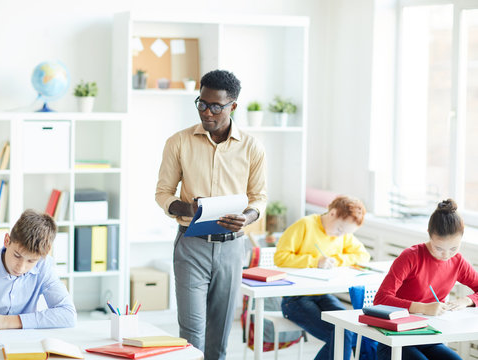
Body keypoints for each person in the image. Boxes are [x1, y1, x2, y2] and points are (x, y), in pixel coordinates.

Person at [155, 69, 267, 360]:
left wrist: (249, 217)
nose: (207, 112)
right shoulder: (178, 142)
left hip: (232, 247)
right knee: (192, 334)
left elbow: (259, 197)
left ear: (233, 106)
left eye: (216, 106)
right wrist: (189, 209)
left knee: (218, 337)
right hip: (191, 245)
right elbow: (163, 194)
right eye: (202, 103)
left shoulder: (252, 147)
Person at [374, 199, 478, 360]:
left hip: (429, 336)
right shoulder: (411, 257)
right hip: (396, 339)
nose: (446, 255)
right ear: (429, 233)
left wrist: (467, 300)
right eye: (439, 248)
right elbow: (380, 299)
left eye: (453, 248)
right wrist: (422, 308)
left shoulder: (458, 261)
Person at [274, 195, 370, 360]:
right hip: (296, 299)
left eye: (345, 233)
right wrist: (315, 261)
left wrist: (338, 260)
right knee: (340, 334)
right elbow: (280, 258)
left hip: (323, 295)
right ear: (332, 213)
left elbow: (363, 256)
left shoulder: (342, 235)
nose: (340, 236)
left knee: (348, 328)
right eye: (340, 230)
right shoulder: (305, 225)